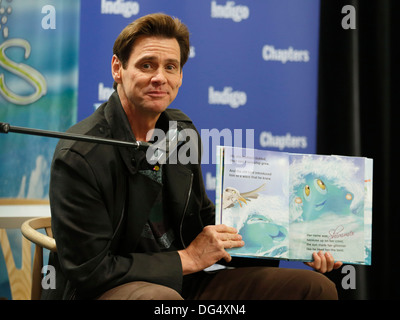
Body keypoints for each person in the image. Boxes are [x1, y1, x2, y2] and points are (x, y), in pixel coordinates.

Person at [45, 13, 342, 300]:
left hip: (185, 281)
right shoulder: (79, 154)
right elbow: (92, 271)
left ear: (180, 76)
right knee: (160, 298)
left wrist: (292, 242)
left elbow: (202, 219)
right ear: (117, 69)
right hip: (111, 289)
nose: (159, 78)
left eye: (171, 67)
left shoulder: (180, 132)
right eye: (147, 65)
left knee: (313, 288)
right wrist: (187, 258)